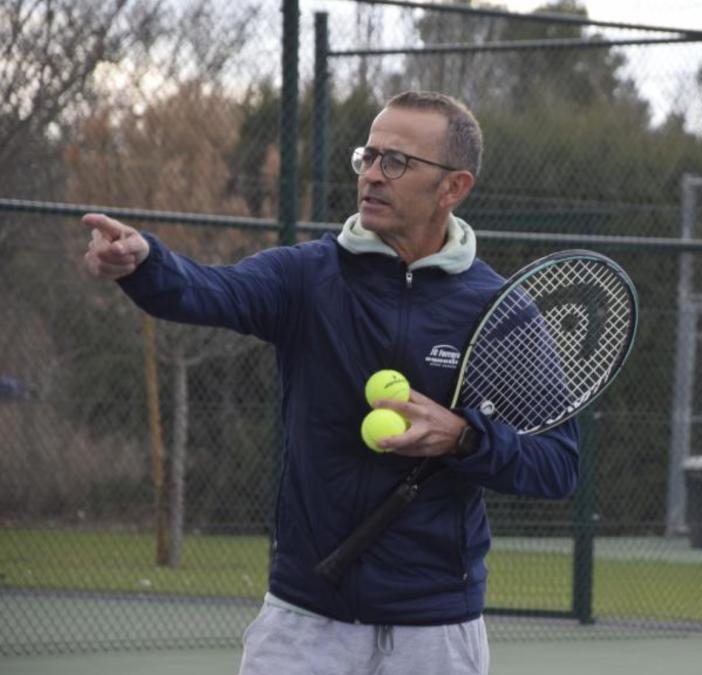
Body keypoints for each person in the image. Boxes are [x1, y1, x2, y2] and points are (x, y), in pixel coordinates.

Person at [82, 91, 579, 675]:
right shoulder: (306, 277)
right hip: (303, 623)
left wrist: (463, 438)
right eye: (368, 156)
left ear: (453, 187)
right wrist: (145, 265)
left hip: (438, 629)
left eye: (396, 162)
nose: (372, 174)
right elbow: (207, 290)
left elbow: (558, 464)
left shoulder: (500, 311)